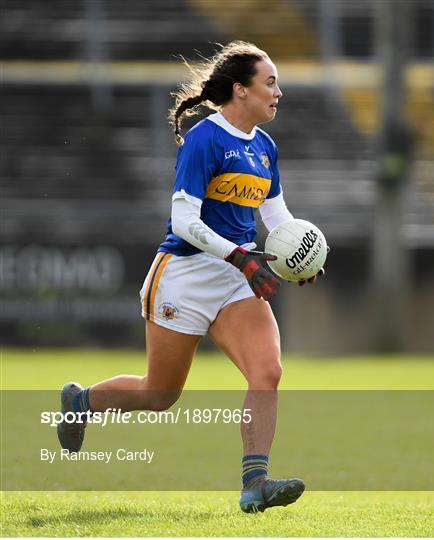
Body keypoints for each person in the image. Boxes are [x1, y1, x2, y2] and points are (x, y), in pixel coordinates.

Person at [57, 41, 324, 513]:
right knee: (160, 394)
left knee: (267, 371)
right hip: (184, 274)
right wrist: (241, 257)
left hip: (234, 279)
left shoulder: (264, 147)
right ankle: (81, 402)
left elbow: (276, 214)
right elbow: (183, 222)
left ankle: (255, 483)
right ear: (240, 91)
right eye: (270, 82)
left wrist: (299, 257)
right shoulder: (206, 139)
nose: (278, 91)